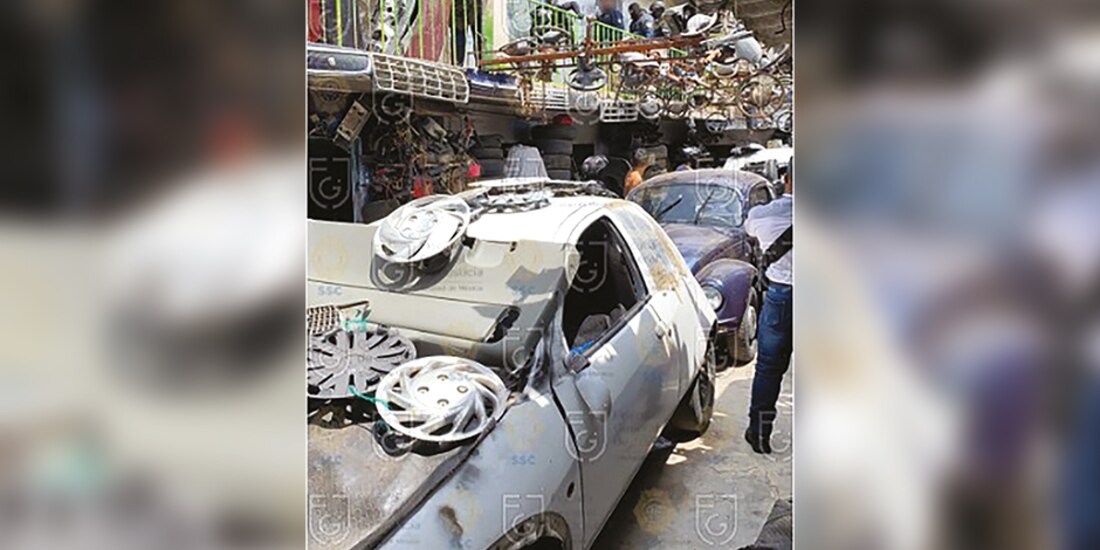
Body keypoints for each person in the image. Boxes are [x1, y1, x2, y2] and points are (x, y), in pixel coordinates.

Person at [744, 171, 793, 454]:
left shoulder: (764, 214)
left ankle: (760, 434)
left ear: (786, 179)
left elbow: (749, 228)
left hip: (780, 298)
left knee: (768, 369)